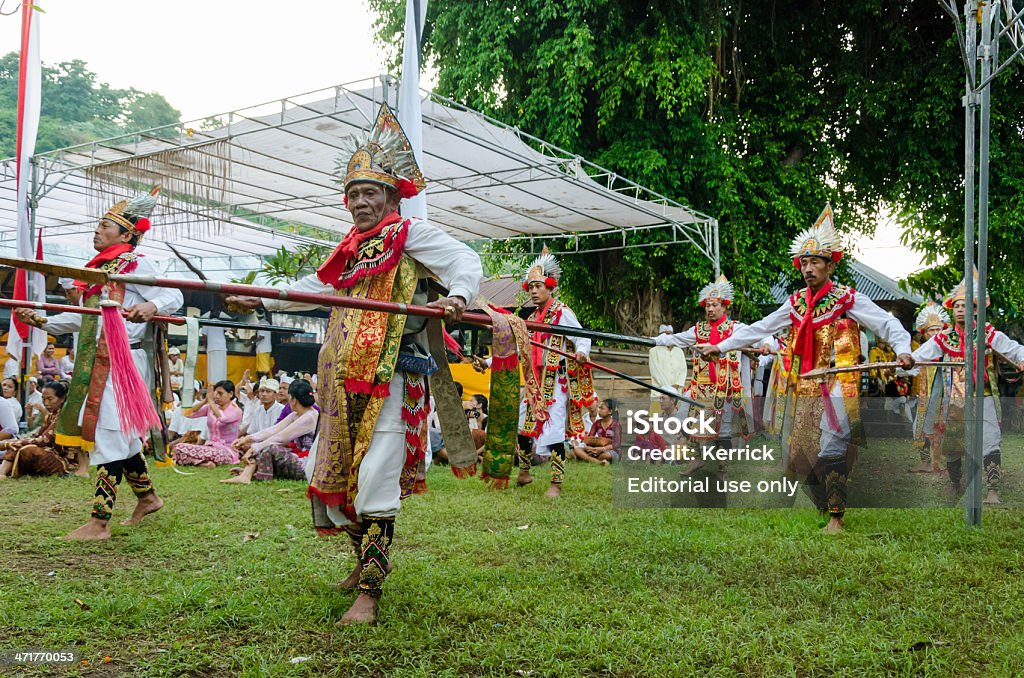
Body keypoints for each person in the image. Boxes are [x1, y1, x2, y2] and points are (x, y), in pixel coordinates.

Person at [224, 103, 482, 625]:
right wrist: (263, 299)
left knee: (376, 477)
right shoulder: (347, 250)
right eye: (355, 194)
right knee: (336, 474)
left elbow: (464, 260)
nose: (361, 202)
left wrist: (457, 296)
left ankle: (370, 592)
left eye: (371, 193)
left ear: (391, 196)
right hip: (340, 378)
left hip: (393, 377)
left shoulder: (410, 236)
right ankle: (361, 561)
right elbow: (313, 288)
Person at [698, 205, 913, 532]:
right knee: (799, 458)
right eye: (804, 263)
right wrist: (720, 345)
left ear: (830, 264)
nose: (808, 268)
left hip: (840, 381)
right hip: (803, 386)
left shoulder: (846, 299)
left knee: (832, 446)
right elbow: (760, 327)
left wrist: (902, 349)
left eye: (815, 262)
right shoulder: (796, 302)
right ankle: (825, 506)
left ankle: (837, 518)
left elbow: (885, 322)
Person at [14, 187, 184, 540]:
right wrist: (43, 320)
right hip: (99, 359)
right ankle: (148, 498)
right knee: (119, 435)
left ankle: (99, 521)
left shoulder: (137, 262)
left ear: (126, 234)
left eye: (105, 225)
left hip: (123, 363)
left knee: (109, 434)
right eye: (98, 225)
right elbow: (85, 319)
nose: (96, 230)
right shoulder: (98, 270)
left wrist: (152, 307)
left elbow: (174, 294)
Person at [911, 275, 1024, 504]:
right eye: (957, 306)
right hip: (954, 399)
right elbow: (919, 356)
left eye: (967, 306)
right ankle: (955, 484)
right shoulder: (944, 338)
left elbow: (1012, 349)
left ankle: (993, 491)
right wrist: (904, 362)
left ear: (975, 310)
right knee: (952, 446)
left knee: (990, 440)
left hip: (983, 396)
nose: (961, 310)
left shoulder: (988, 332)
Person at [509, 250, 594, 497]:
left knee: (554, 428)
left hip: (556, 381)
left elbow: (581, 336)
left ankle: (556, 483)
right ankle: (524, 473)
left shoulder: (561, 312)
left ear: (550, 287)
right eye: (531, 287)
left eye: (538, 286)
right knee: (524, 426)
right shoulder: (532, 317)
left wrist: (581, 352)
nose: (533, 291)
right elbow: (518, 349)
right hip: (534, 381)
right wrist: (490, 361)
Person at [654, 274, 752, 480]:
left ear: (724, 307)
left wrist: (767, 344)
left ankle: (723, 470)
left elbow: (756, 333)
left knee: (722, 429)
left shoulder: (735, 328)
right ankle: (696, 459)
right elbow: (677, 339)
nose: (709, 309)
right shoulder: (698, 330)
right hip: (701, 388)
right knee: (687, 421)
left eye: (714, 305)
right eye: (707, 305)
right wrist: (655, 341)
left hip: (725, 387)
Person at [223, 379, 319, 484]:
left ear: (294, 400)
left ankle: (247, 475)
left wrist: (253, 448)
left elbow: (280, 437)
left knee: (270, 447)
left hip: (307, 464)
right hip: (299, 457)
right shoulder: (296, 415)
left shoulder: (310, 416)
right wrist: (246, 439)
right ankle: (248, 473)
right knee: (265, 445)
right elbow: (273, 430)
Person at [0, 382, 78, 479]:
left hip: (64, 462)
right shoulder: (50, 416)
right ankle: (2, 473)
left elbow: (43, 440)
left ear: (62, 399)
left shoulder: (64, 416)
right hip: (49, 452)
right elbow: (36, 436)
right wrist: (14, 442)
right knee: (17, 445)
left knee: (28, 450)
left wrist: (7, 444)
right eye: (43, 399)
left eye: (50, 399)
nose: (46, 403)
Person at [910, 301, 949, 474]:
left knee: (943, 429)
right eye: (931, 330)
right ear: (924, 333)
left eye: (938, 330)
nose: (935, 333)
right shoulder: (922, 352)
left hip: (945, 398)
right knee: (918, 428)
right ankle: (926, 463)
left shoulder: (949, 351)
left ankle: (943, 464)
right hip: (924, 398)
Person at [172, 379, 243, 467]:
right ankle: (203, 463)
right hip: (209, 447)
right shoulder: (211, 407)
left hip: (227, 451)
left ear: (231, 394)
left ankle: (199, 461)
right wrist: (205, 401)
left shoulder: (236, 410)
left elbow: (222, 418)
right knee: (179, 447)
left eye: (220, 394)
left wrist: (211, 402)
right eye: (215, 393)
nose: (217, 396)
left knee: (206, 453)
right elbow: (187, 413)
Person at [575, 399, 620, 464]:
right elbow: (589, 439)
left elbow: (616, 444)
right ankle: (599, 462)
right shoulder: (597, 423)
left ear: (610, 411)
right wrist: (588, 448)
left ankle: (591, 460)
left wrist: (601, 449)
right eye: (599, 408)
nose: (599, 410)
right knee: (577, 450)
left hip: (609, 450)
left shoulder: (616, 425)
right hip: (596, 449)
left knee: (607, 455)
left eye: (602, 408)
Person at [648, 324, 689, 395]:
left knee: (676, 405)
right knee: (658, 405)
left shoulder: (679, 351)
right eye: (665, 335)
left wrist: (677, 385)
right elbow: (656, 372)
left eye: (670, 334)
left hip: (677, 391)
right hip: (659, 391)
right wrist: (668, 389)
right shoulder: (654, 351)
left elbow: (683, 370)